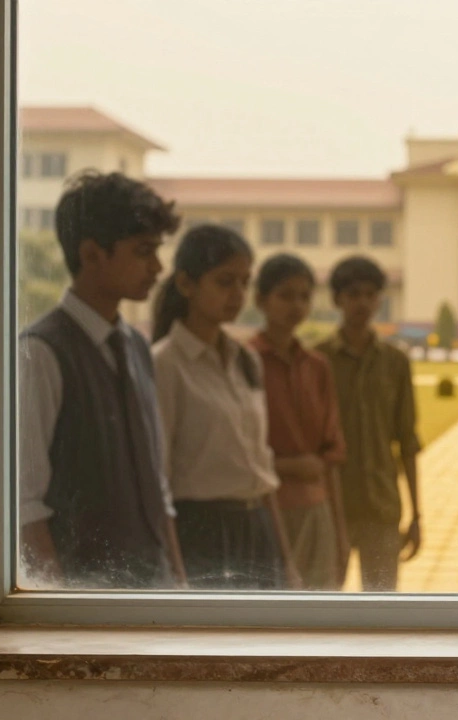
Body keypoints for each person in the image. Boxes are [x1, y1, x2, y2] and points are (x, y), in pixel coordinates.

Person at [18, 170, 186, 589]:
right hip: (86, 598)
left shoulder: (137, 347)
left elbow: (156, 486)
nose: (158, 266)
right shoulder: (41, 351)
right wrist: (55, 607)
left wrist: (180, 583)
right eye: (144, 251)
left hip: (152, 587)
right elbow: (25, 505)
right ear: (92, 254)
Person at [152, 225, 299, 590]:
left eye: (244, 282)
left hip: (258, 529)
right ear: (186, 285)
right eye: (224, 282)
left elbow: (261, 469)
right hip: (202, 534)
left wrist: (286, 562)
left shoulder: (246, 360)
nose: (238, 295)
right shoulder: (164, 364)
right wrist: (177, 575)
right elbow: (160, 482)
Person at [317, 256, 422, 592]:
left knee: (381, 609)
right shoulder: (318, 361)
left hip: (382, 507)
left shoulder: (395, 363)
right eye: (352, 294)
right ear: (337, 299)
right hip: (332, 507)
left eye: (369, 294)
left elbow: (407, 442)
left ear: (379, 299)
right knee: (323, 604)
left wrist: (417, 516)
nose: (361, 303)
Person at [251, 253, 350, 590]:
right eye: (285, 295)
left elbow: (332, 454)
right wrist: (292, 466)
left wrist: (340, 532)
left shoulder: (317, 367)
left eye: (304, 296)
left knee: (320, 621)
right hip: (265, 511)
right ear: (261, 300)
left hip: (317, 511)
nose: (296, 305)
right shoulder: (245, 362)